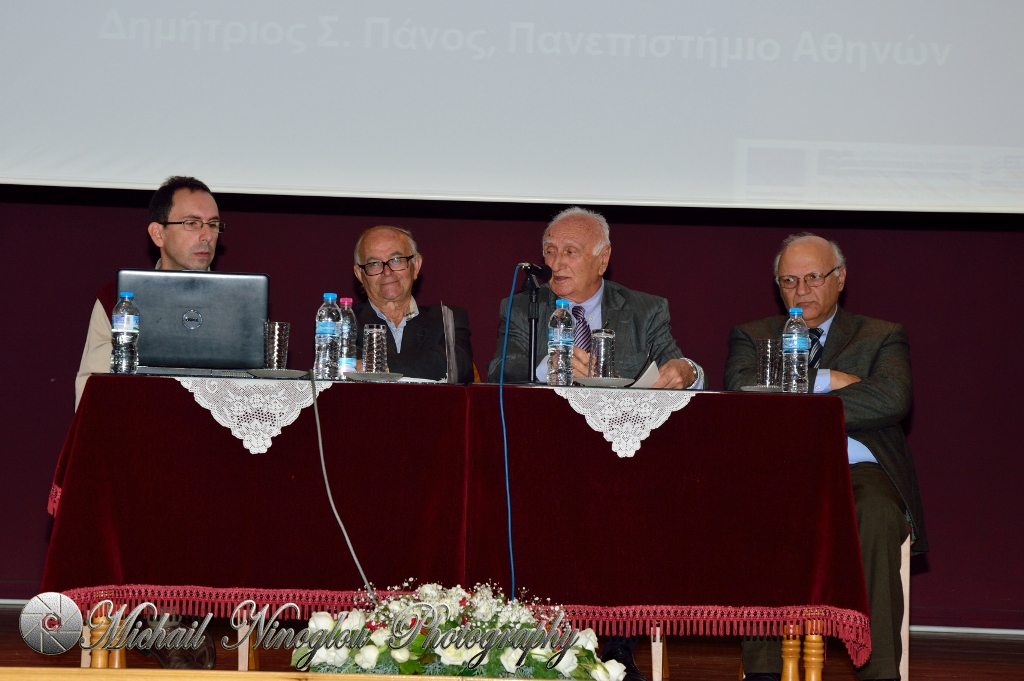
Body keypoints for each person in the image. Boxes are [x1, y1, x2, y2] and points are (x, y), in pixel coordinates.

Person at [725, 233, 928, 681]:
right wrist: (830, 379)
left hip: (858, 468)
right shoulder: (753, 335)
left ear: (840, 278)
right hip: (780, 470)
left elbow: (891, 398)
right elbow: (744, 393)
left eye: (814, 277)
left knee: (877, 513)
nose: (801, 290)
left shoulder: (882, 334)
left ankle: (879, 673)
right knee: (757, 506)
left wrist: (791, 390)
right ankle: (764, 672)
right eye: (789, 280)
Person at [487, 206, 704, 389]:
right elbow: (499, 370)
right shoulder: (523, 307)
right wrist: (549, 366)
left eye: (570, 252)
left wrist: (689, 371)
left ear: (603, 259)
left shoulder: (645, 310)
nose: (556, 264)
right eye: (550, 251)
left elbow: (676, 367)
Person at [75, 176, 222, 410]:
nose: (207, 236)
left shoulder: (241, 301)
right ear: (158, 234)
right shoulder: (117, 299)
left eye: (212, 225)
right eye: (192, 223)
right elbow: (92, 389)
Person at [352, 225, 474, 383]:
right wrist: (427, 360)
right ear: (359, 274)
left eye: (396, 260)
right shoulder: (342, 323)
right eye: (374, 264)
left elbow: (457, 368)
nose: (387, 272)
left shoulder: (446, 318)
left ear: (416, 266)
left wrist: (378, 366)